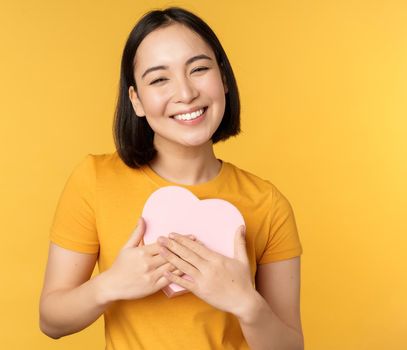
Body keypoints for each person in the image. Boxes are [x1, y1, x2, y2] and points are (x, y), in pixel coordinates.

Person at [39, 7, 304, 349]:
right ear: (136, 99)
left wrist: (246, 304)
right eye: (159, 78)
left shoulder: (268, 204)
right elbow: (51, 321)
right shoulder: (94, 179)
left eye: (199, 69)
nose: (186, 92)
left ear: (223, 78)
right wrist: (110, 285)